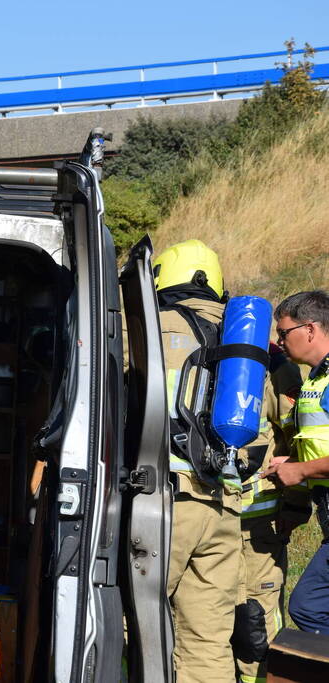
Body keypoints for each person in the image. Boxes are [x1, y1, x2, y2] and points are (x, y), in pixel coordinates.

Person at [152, 239, 251, 683]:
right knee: (207, 640)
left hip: (168, 503)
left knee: (135, 621)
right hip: (226, 506)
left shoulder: (151, 324)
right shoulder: (243, 342)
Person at [234, 341, 307, 683]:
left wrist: (294, 501)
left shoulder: (159, 336)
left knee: (249, 623)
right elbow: (298, 435)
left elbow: (300, 437)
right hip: (251, 516)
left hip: (249, 518)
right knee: (250, 620)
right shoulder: (269, 358)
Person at [262, 290, 329, 634]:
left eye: (284, 333)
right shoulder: (317, 379)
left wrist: (301, 469)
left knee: (309, 607)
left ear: (311, 329)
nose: (280, 341)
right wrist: (296, 459)